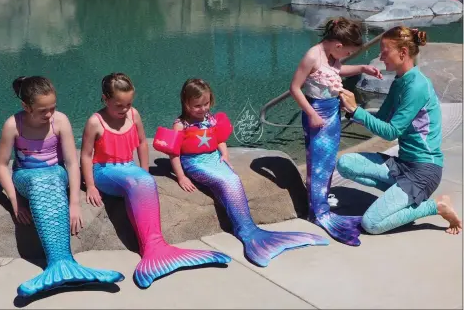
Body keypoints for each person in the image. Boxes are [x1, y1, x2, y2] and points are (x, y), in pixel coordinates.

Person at [153, 78, 329, 268]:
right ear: (185, 103)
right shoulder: (181, 125)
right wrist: (181, 176)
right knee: (224, 180)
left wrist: (225, 154)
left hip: (213, 157)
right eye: (197, 106)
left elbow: (218, 138)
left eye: (206, 103)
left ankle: (247, 228)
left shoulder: (209, 118)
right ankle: (246, 231)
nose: (203, 109)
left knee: (233, 179)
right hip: (194, 162)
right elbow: (174, 153)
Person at [80, 73, 231, 289]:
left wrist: (144, 170)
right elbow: (86, 155)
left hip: (128, 167)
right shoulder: (95, 121)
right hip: (104, 170)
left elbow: (142, 143)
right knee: (136, 183)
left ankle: (157, 247)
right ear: (105, 99)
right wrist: (91, 186)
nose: (124, 109)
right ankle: (152, 250)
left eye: (128, 103)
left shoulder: (133, 115)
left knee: (144, 182)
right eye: (118, 105)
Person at [0, 76, 124, 297]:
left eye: (52, 108)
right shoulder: (13, 124)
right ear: (26, 106)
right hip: (26, 176)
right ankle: (58, 265)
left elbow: (72, 162)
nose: (49, 115)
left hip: (56, 174)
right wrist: (15, 201)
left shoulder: (60, 121)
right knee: (39, 180)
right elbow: (1, 165)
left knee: (52, 177)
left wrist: (74, 203)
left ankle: (63, 262)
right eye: (42, 110)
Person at [337, 26, 462, 236]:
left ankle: (436, 206)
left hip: (423, 171)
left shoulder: (417, 86)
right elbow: (381, 119)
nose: (380, 56)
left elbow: (391, 132)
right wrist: (351, 112)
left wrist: (356, 110)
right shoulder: (400, 81)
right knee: (345, 164)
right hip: (402, 165)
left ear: (402, 53)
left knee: (372, 224)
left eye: (385, 51)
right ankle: (400, 198)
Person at [289, 17, 383, 246]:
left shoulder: (332, 55)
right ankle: (317, 212)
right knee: (318, 163)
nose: (345, 57)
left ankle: (320, 200)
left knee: (328, 161)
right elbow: (294, 88)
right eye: (348, 52)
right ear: (338, 45)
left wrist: (361, 68)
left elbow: (337, 72)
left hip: (332, 113)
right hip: (318, 114)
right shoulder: (313, 56)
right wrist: (311, 113)